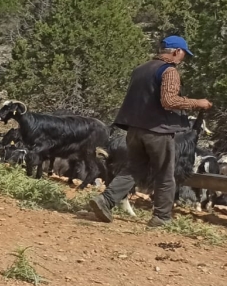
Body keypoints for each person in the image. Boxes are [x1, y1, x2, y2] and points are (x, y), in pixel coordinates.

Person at [90, 36, 212, 227]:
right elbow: (169, 101)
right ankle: (161, 217)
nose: (183, 59)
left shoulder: (141, 69)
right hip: (157, 131)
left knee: (134, 168)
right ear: (176, 52)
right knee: (164, 173)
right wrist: (198, 103)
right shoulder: (169, 71)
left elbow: (151, 97)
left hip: (134, 130)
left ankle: (105, 200)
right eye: (183, 55)